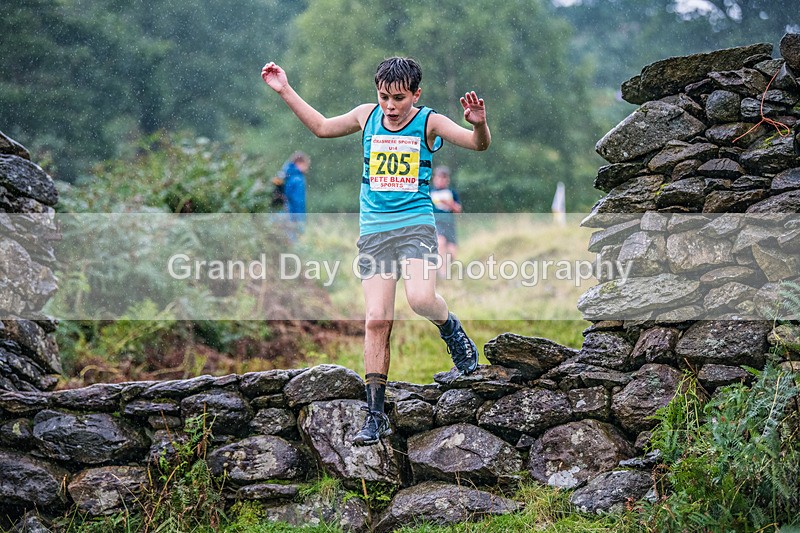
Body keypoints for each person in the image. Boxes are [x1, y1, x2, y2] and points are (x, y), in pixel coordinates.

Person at [261, 56, 491, 446]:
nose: (390, 106)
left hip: (416, 226)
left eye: (399, 98)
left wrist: (479, 123)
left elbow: (476, 145)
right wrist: (285, 89)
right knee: (376, 320)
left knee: (420, 299)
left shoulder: (429, 121)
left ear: (416, 94)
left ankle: (451, 329)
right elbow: (320, 127)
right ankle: (375, 413)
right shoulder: (366, 116)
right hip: (374, 233)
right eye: (384, 96)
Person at [430, 166, 462, 278]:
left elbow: (458, 210)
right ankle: (442, 274)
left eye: (444, 178)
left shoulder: (451, 192)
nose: (441, 180)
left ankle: (445, 268)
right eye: (439, 177)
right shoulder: (430, 192)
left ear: (447, 180)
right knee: (441, 243)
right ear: (434, 178)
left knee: (452, 253)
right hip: (436, 223)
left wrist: (449, 203)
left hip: (449, 223)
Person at [277, 151, 310, 236]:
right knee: (294, 239)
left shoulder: (286, 175)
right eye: (306, 165)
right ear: (299, 163)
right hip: (293, 214)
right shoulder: (298, 179)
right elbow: (297, 201)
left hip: (282, 213)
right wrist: (300, 220)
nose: (307, 168)